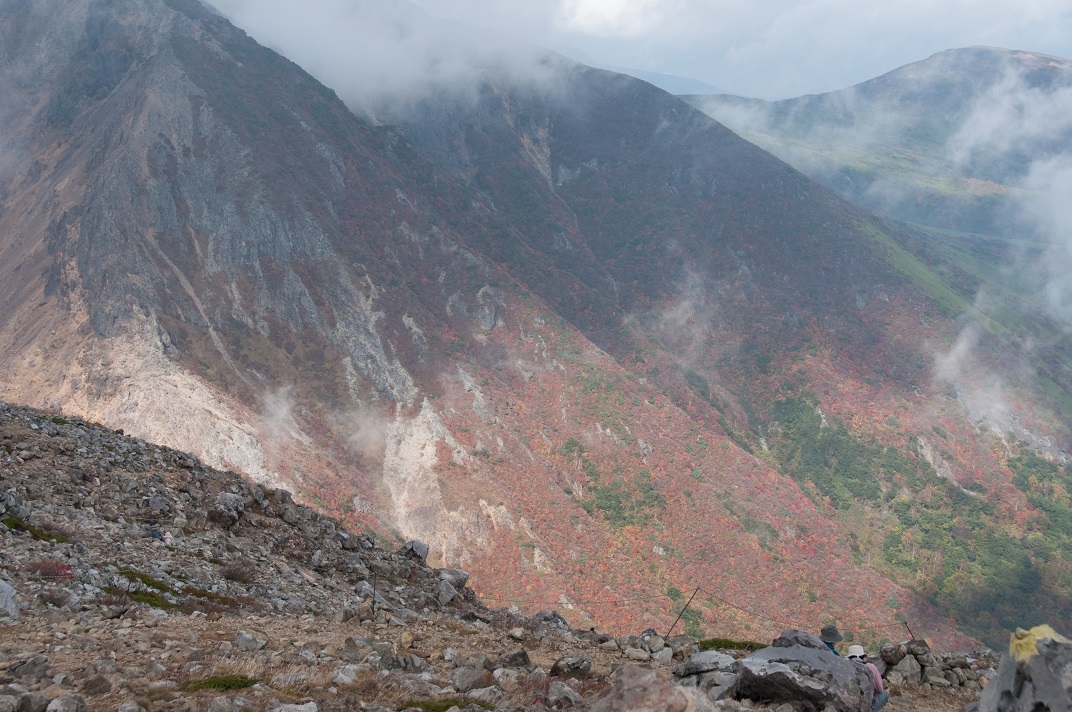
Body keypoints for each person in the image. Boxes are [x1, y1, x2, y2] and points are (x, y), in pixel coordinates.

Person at [846, 644, 889, 711]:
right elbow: (880, 689)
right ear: (863, 656)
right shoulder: (870, 667)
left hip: (848, 701)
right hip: (864, 703)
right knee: (883, 694)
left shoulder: (845, 665)